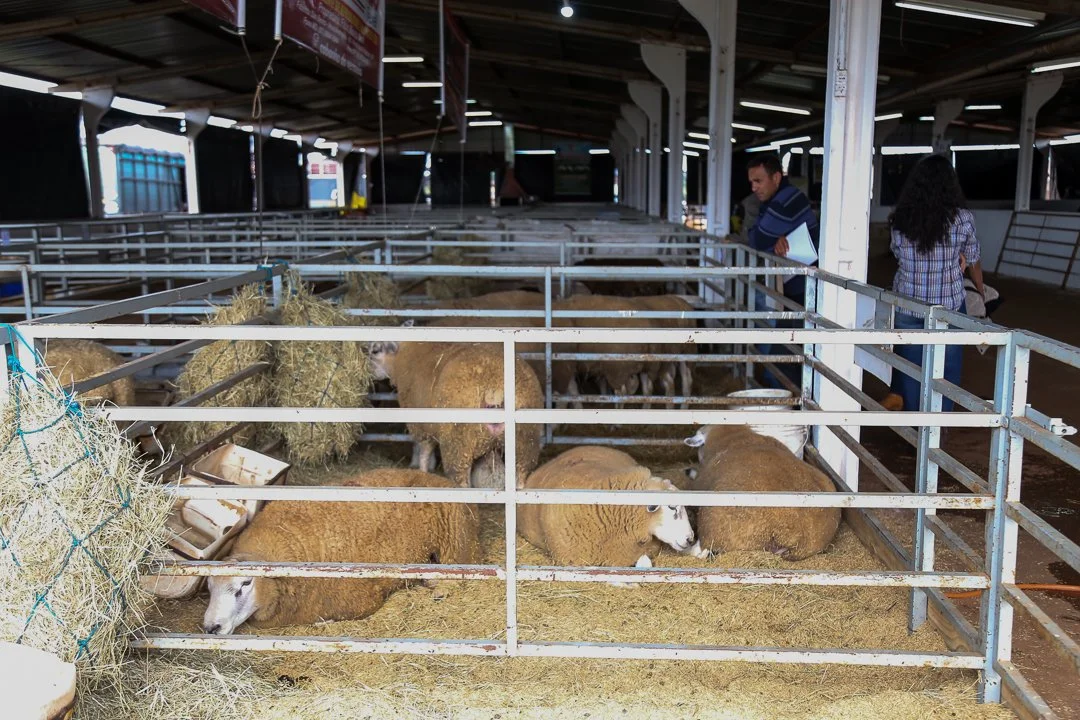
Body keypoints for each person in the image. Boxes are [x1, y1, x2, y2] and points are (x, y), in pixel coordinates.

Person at [880, 154, 985, 413]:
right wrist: (980, 292)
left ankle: (917, 429)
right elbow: (973, 260)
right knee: (946, 374)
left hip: (908, 305)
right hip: (947, 306)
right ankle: (938, 430)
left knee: (912, 372)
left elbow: (898, 254)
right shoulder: (962, 219)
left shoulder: (899, 220)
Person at [745, 153, 820, 389]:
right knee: (791, 351)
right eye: (751, 182)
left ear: (776, 177)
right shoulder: (775, 201)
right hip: (794, 286)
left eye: (759, 181)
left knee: (786, 356)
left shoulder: (785, 201)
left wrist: (769, 238)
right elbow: (760, 234)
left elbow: (756, 238)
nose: (754, 188)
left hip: (805, 288)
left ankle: (790, 408)